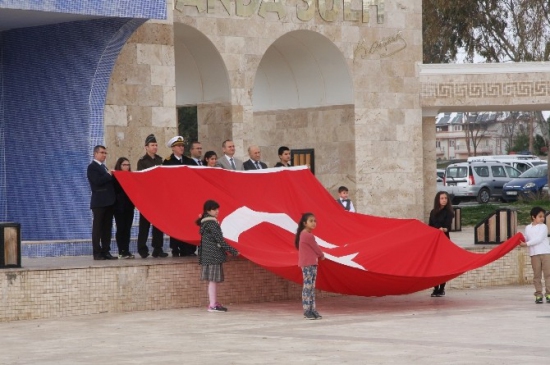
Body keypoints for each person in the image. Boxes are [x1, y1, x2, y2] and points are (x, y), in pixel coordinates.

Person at [196, 200, 239, 312]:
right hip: (213, 255)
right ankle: (212, 304)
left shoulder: (205, 223)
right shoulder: (212, 224)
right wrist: (234, 251)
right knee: (213, 281)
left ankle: (213, 303)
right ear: (208, 210)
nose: (217, 211)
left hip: (208, 255)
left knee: (212, 280)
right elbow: (220, 240)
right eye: (215, 209)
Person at [163, 136, 196, 256]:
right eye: (179, 146)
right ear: (173, 148)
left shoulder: (189, 161)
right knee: (176, 223)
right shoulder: (167, 162)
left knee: (188, 223)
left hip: (187, 198)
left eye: (182, 145)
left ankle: (189, 249)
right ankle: (175, 248)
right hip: (175, 198)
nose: (181, 148)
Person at [137, 134, 168, 258]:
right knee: (144, 225)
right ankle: (142, 248)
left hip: (158, 197)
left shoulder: (160, 160)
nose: (155, 147)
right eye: (152, 145)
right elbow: (141, 179)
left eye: (156, 145)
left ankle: (157, 248)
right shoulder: (142, 161)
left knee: (158, 224)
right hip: (147, 198)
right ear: (146, 147)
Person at [87, 145, 117, 260]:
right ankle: (97, 252)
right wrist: (109, 175)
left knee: (107, 228)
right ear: (95, 154)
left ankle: (106, 251)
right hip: (99, 203)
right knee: (98, 228)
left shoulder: (103, 167)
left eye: (105, 153)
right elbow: (97, 181)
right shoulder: (92, 167)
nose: (104, 155)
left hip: (109, 202)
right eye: (102, 153)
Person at [295, 212, 325, 320]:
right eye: (311, 221)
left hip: (311, 263)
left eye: (315, 221)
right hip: (308, 264)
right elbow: (316, 248)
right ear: (304, 223)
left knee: (311, 287)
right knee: (308, 287)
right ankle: (307, 310)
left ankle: (312, 309)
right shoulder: (307, 235)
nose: (313, 223)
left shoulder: (305, 234)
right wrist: (322, 255)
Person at [519, 207, 550, 304]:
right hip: (534, 254)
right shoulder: (528, 228)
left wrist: (526, 244)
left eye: (543, 217)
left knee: (548, 275)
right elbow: (527, 237)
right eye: (540, 216)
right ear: (533, 217)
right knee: (537, 275)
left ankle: (549, 294)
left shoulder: (544, 227)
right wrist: (519, 238)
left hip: (545, 253)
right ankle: (538, 295)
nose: (542, 219)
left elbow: (539, 239)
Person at [428, 191, 454, 297]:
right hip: (434, 241)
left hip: (444, 240)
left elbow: (448, 227)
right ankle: (435, 288)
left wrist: (442, 229)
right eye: (442, 198)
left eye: (445, 198)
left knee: (443, 265)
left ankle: (441, 289)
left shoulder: (449, 213)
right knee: (434, 265)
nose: (444, 200)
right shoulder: (433, 212)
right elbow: (430, 225)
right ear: (438, 200)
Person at [113, 157, 135, 259]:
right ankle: (121, 250)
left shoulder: (131, 176)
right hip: (119, 207)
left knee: (127, 229)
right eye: (124, 165)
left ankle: (126, 250)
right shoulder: (115, 176)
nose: (126, 167)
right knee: (121, 228)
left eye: (128, 165)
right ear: (119, 166)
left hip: (129, 207)